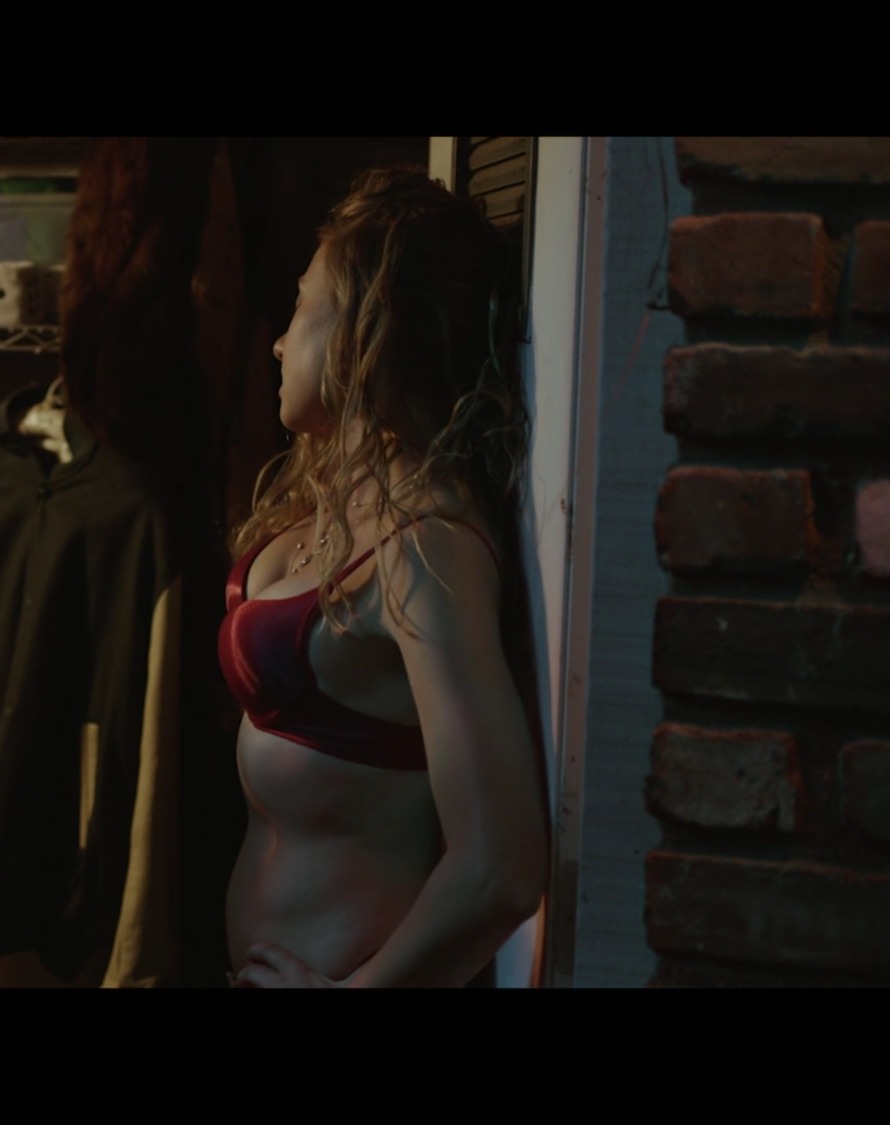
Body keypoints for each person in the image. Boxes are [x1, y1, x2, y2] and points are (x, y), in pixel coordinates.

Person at [220, 167, 549, 988]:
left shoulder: (425, 546)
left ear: (366, 322)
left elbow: (503, 866)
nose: (278, 342)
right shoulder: (336, 501)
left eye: (300, 306)